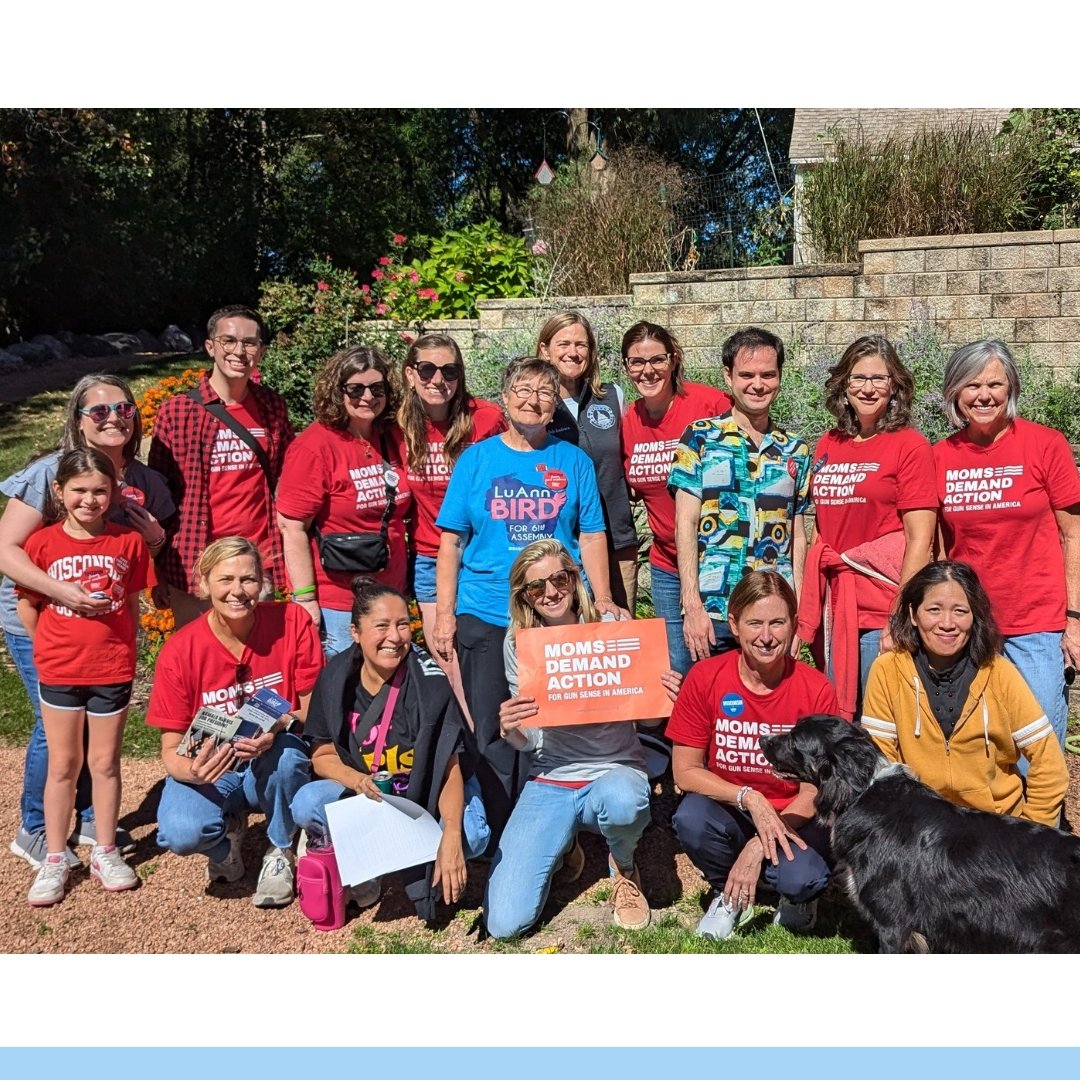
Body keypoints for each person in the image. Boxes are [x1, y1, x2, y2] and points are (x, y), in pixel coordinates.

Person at [432, 356, 615, 844]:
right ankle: (504, 833)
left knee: (551, 723)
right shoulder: (476, 460)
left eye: (545, 392)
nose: (534, 399)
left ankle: (556, 829)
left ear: (557, 402)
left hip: (552, 611)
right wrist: (444, 615)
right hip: (487, 610)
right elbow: (450, 542)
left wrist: (605, 602)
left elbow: (592, 535)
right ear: (505, 396)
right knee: (494, 727)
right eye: (523, 389)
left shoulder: (571, 460)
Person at [0, 373, 172, 869]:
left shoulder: (143, 481)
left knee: (96, 746)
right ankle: (36, 828)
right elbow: (8, 549)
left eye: (122, 408)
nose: (113, 417)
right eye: (98, 411)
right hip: (37, 614)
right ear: (77, 419)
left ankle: (95, 820)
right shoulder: (51, 473)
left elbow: (146, 556)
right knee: (51, 730)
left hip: (105, 630)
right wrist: (60, 593)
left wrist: (156, 540)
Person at [484, 540, 681, 938]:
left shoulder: (612, 630)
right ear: (524, 597)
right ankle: (565, 843)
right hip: (552, 776)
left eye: (559, 578)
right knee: (505, 924)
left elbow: (647, 724)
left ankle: (623, 866)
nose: (551, 592)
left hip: (615, 770)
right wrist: (511, 730)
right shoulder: (518, 646)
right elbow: (532, 742)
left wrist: (663, 700)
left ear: (574, 580)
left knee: (623, 801)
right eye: (536, 587)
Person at [290, 577, 489, 921]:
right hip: (371, 794)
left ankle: (411, 852)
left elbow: (449, 770)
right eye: (381, 626)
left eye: (402, 625)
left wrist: (452, 835)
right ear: (355, 631)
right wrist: (356, 780)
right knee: (307, 803)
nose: (395, 637)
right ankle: (360, 859)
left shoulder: (430, 685)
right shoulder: (336, 679)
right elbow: (321, 757)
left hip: (428, 789)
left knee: (471, 836)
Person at [145, 537, 321, 908]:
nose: (238, 591)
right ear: (204, 583)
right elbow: (169, 749)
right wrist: (192, 772)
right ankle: (224, 841)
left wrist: (279, 726)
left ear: (262, 583)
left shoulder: (291, 621)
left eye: (248, 579)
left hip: (271, 757)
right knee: (180, 831)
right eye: (226, 580)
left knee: (288, 758)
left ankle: (280, 847)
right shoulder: (180, 649)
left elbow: (313, 710)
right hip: (214, 768)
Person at [668, 571, 839, 940]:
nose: (766, 636)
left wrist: (759, 844)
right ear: (734, 623)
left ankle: (792, 895)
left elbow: (816, 790)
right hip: (734, 811)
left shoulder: (816, 689)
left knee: (804, 877)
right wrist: (748, 797)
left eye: (777, 623)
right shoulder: (705, 677)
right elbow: (684, 771)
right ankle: (726, 891)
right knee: (692, 816)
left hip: (796, 817)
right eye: (754, 623)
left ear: (793, 625)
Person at [16, 448, 153, 905]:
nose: (90, 500)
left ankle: (105, 849)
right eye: (79, 490)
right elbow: (27, 605)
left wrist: (126, 650)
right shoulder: (41, 543)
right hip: (59, 669)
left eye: (100, 490)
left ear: (113, 492)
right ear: (59, 491)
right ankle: (55, 856)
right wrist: (49, 648)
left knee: (105, 763)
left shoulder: (127, 542)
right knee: (63, 764)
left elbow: (132, 604)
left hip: (111, 668)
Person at [934, 339, 1080, 749]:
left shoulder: (1045, 444)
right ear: (954, 393)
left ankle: (1040, 818)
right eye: (972, 385)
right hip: (967, 626)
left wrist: (1075, 620)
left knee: (1037, 748)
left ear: (1011, 388)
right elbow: (940, 549)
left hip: (1036, 624)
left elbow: (1074, 534)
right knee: (976, 747)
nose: (984, 396)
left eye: (995, 384)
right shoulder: (940, 456)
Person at [861, 560, 1068, 826]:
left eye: (960, 611)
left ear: (975, 617)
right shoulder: (887, 671)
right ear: (913, 614)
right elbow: (879, 764)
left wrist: (1032, 831)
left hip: (993, 826)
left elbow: (1048, 763)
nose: (947, 623)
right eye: (934, 610)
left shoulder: (999, 674)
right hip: (920, 829)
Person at [797, 335, 937, 720]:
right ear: (843, 384)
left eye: (879, 378)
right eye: (858, 378)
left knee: (879, 721)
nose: (868, 388)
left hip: (880, 607)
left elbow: (920, 539)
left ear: (895, 386)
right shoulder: (828, 443)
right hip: (836, 606)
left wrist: (899, 616)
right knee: (841, 722)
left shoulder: (909, 446)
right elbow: (822, 529)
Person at [670, 327, 812, 662]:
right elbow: (685, 523)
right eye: (746, 374)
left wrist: (799, 614)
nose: (758, 384)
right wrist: (691, 604)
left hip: (773, 615)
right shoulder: (700, 438)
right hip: (715, 608)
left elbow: (799, 535)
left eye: (768, 374)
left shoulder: (795, 449)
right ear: (728, 376)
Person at [148, 304, 295, 627]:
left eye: (250, 343)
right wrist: (156, 568)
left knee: (257, 659)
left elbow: (288, 479)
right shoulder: (178, 412)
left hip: (258, 559)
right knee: (200, 662)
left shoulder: (272, 407)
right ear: (210, 346)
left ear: (262, 350)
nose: (239, 351)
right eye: (228, 341)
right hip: (195, 560)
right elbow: (158, 499)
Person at [276, 346, 412, 658]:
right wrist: (306, 599)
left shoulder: (392, 437)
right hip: (337, 599)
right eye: (355, 388)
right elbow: (292, 527)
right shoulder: (315, 446)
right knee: (345, 686)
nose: (367, 396)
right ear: (338, 392)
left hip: (389, 590)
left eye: (377, 388)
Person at [396, 333, 506, 707]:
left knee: (496, 657)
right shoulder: (396, 427)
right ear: (410, 374)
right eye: (427, 369)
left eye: (449, 370)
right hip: (430, 558)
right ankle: (475, 748)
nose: (437, 379)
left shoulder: (487, 419)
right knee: (450, 661)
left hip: (484, 557)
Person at [619, 321, 731, 674]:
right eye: (636, 362)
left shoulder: (708, 404)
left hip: (718, 560)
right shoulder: (630, 421)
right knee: (677, 666)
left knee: (718, 661)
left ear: (674, 360)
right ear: (626, 367)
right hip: (667, 564)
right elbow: (632, 485)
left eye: (657, 360)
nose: (647, 370)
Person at [537, 312, 638, 610]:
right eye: (564, 343)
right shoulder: (536, 405)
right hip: (561, 541)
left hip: (616, 538)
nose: (573, 352)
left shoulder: (611, 396)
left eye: (581, 344)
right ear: (545, 349)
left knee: (620, 632)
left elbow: (627, 457)